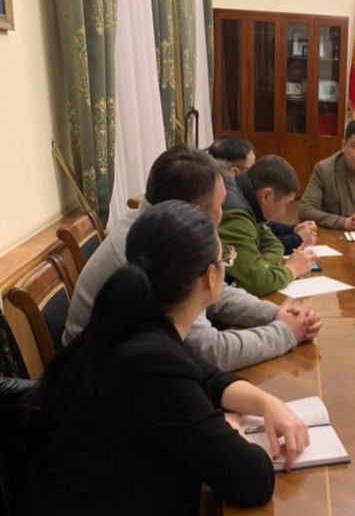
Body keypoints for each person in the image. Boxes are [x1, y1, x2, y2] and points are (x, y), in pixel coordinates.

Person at [17, 201, 309, 515]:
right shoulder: (152, 364)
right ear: (210, 278)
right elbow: (252, 481)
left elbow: (210, 377)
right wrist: (231, 428)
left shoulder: (136, 320)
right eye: (225, 258)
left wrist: (268, 403)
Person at [64, 145, 322, 371]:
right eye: (220, 206)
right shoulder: (156, 249)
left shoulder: (158, 228)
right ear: (193, 211)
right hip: (102, 385)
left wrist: (276, 313)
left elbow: (213, 292)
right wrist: (285, 332)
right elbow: (209, 351)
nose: (222, 215)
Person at [218, 155, 315, 296]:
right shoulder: (237, 216)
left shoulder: (249, 200)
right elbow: (258, 283)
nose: (284, 212)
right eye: (286, 204)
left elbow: (275, 245)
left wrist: (262, 264)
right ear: (267, 196)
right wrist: (292, 269)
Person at [207, 136, 316, 252]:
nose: (255, 173)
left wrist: (291, 230)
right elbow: (256, 251)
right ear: (234, 172)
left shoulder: (241, 197)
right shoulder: (235, 211)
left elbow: (261, 229)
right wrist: (295, 240)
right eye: (251, 168)